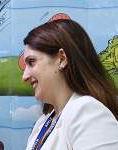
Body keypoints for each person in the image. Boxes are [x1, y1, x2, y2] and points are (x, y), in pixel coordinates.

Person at [19, 19, 118, 150]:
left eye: (31, 62)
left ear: (62, 58)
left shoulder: (86, 111)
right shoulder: (43, 122)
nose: (24, 76)